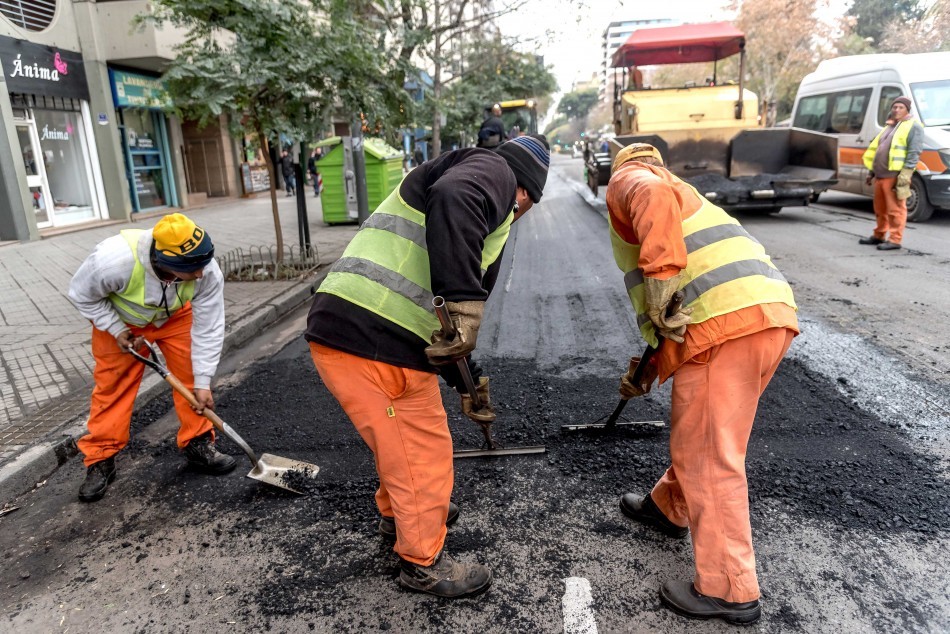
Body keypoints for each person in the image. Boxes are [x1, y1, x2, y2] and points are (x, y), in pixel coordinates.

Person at [304, 135, 550, 598]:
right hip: (373, 336)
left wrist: (466, 380)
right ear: (526, 191)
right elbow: (455, 202)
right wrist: (464, 299)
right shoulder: (494, 171)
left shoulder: (482, 197)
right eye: (531, 204)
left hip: (360, 330)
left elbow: (449, 328)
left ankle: (400, 515)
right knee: (421, 451)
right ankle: (422, 562)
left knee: (398, 440)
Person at [606, 143, 798, 625]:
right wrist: (645, 373)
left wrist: (660, 278)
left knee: (710, 456)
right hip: (764, 316)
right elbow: (672, 313)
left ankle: (729, 589)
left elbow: (664, 279)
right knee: (708, 436)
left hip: (726, 327)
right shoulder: (686, 195)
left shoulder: (632, 178)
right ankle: (668, 507)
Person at [67, 213, 233, 503]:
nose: (200, 275)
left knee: (191, 377)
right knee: (113, 388)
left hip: (176, 318)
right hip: (121, 321)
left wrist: (204, 381)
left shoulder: (207, 269)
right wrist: (115, 329)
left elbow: (209, 326)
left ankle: (197, 443)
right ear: (165, 262)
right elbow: (82, 295)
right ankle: (100, 458)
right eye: (192, 269)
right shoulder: (112, 261)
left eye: (202, 265)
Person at [859, 96, 923, 251]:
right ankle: (879, 235)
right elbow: (878, 150)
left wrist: (905, 175)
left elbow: (914, 153)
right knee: (880, 209)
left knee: (896, 209)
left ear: (907, 109)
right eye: (895, 107)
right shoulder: (889, 126)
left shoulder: (914, 126)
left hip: (895, 176)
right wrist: (871, 172)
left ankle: (895, 240)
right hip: (880, 175)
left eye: (901, 107)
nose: (897, 110)